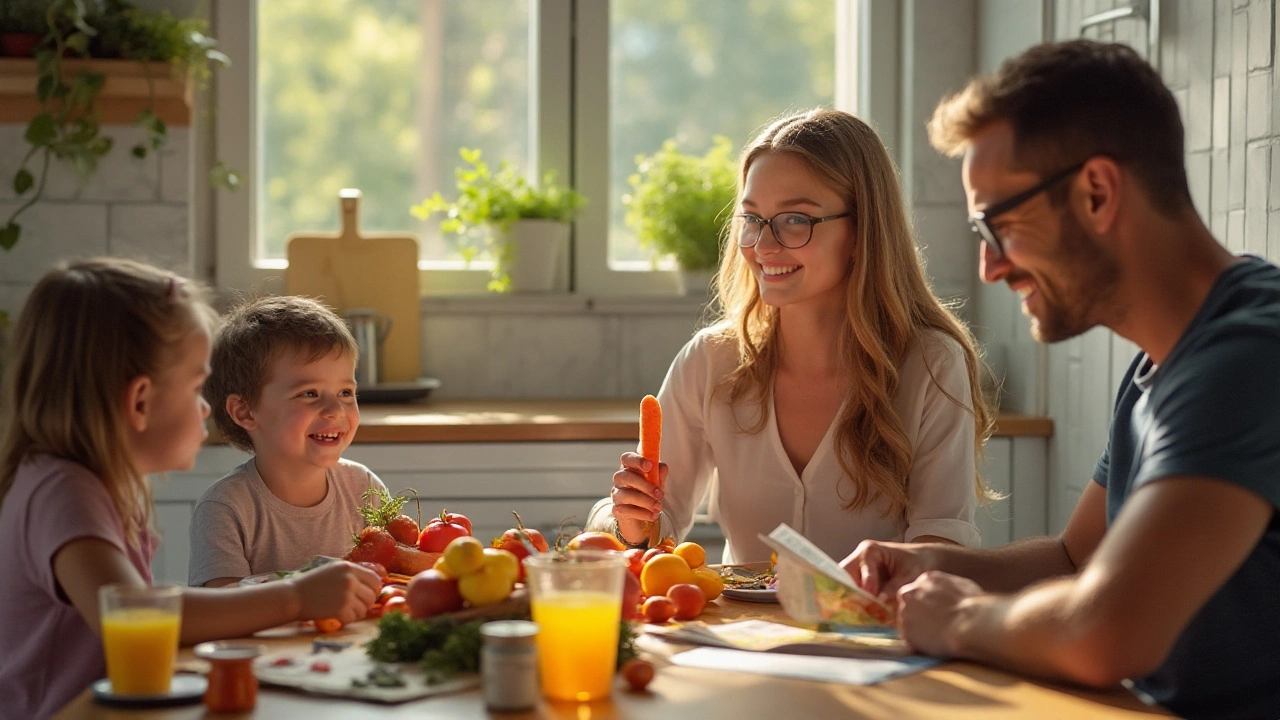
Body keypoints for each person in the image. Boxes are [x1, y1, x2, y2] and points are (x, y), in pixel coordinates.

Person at [842, 40, 1280, 719]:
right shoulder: (1158, 365)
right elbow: (1078, 558)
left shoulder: (1248, 357)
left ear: (1097, 192)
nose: (989, 267)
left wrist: (961, 618)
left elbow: (1105, 631)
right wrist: (932, 566)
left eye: (999, 226)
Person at [592, 108, 995, 563]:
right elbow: (654, 533)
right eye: (752, 219)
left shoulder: (931, 365)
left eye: (795, 220)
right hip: (738, 634)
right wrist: (628, 522)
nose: (764, 246)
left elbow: (941, 542)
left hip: (875, 630)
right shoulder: (710, 361)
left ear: (863, 230)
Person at [0, 259, 379, 720]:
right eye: (197, 386)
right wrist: (297, 596)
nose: (206, 408)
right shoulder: (63, 492)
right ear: (140, 401)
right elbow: (133, 612)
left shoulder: (81, 483)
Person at [189, 295, 389, 588]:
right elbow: (222, 608)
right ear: (245, 411)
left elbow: (393, 581)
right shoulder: (225, 508)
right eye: (309, 393)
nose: (335, 410)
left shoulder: (366, 489)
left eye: (346, 392)